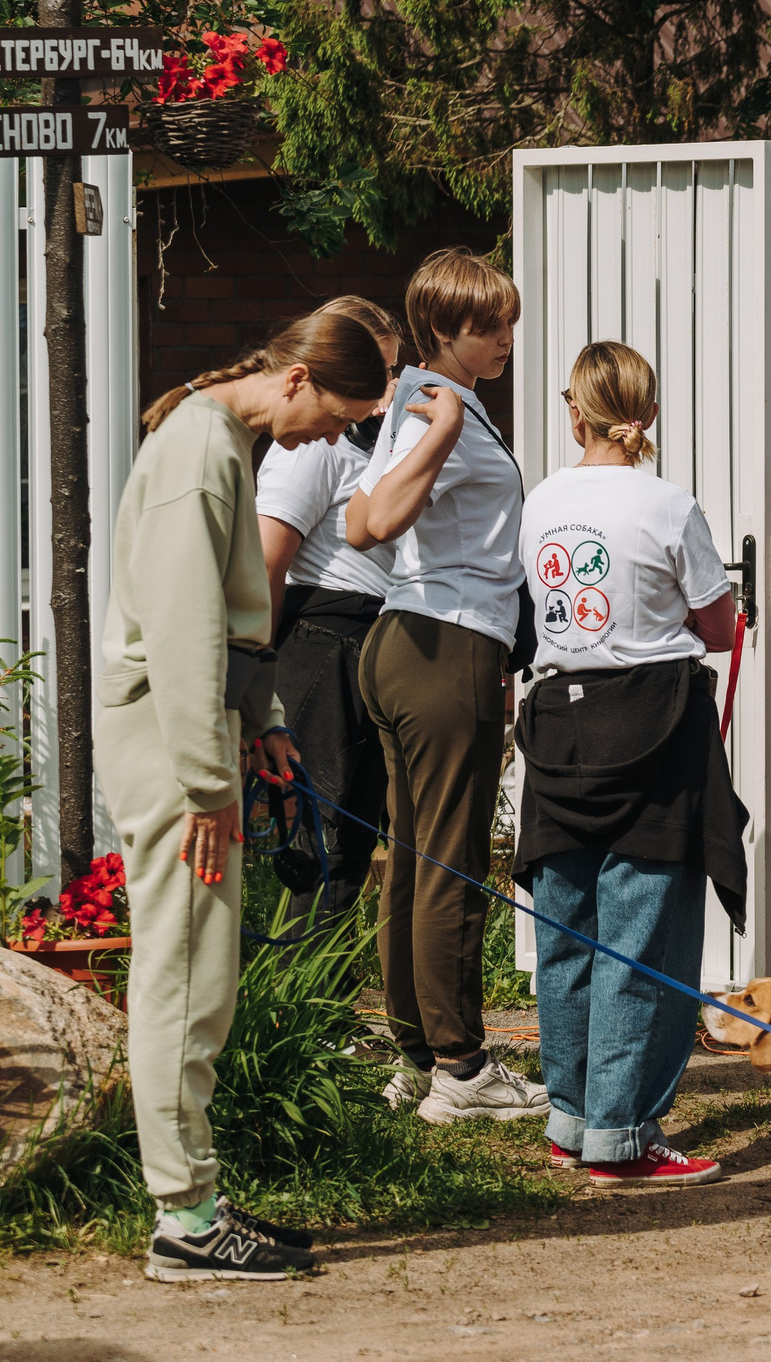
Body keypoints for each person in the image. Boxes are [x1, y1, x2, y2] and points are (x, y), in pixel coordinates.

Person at [107, 313, 387, 1281]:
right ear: (299, 378)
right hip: (176, 750)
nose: (329, 440)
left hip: (206, 738)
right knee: (185, 980)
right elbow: (184, 630)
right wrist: (208, 784)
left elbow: (231, 623)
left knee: (203, 977)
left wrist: (264, 721)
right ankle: (183, 1218)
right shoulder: (199, 453)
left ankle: (198, 1195)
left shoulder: (216, 438)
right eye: (338, 417)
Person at [515, 341, 746, 1187]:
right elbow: (719, 629)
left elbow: (532, 612)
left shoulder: (540, 502)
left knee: (567, 929)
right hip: (653, 720)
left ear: (573, 411)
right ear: (646, 416)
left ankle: (571, 1117)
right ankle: (622, 1134)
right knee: (643, 936)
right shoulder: (669, 505)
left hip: (557, 726)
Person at [348, 248, 548, 1124]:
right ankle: (461, 1070)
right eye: (487, 324)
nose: (506, 336)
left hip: (407, 640)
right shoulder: (442, 405)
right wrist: (441, 435)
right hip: (444, 644)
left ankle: (417, 1055)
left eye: (507, 318)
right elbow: (370, 523)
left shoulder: (426, 402)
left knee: (410, 862)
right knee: (449, 862)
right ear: (441, 328)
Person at [257, 295, 404, 931]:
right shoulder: (311, 445)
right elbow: (266, 559)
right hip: (321, 640)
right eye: (377, 370)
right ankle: (306, 1012)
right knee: (327, 835)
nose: (386, 388)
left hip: (370, 638)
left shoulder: (368, 439)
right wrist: (258, 677)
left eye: (394, 371)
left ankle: (328, 1007)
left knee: (354, 830)